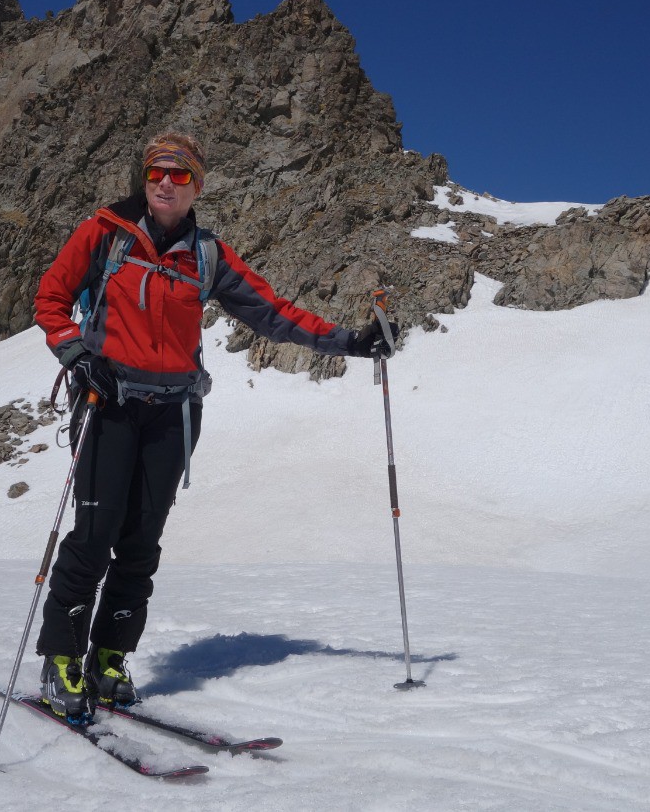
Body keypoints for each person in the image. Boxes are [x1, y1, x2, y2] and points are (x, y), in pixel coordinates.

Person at [30, 132, 394, 720]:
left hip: (173, 414)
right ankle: (61, 659)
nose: (165, 184)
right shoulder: (104, 234)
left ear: (198, 184)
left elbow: (271, 313)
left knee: (140, 543)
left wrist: (351, 342)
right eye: (155, 173)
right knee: (95, 537)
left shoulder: (207, 255)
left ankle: (109, 656)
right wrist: (76, 352)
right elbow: (50, 298)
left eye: (179, 175)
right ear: (142, 179)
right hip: (108, 402)